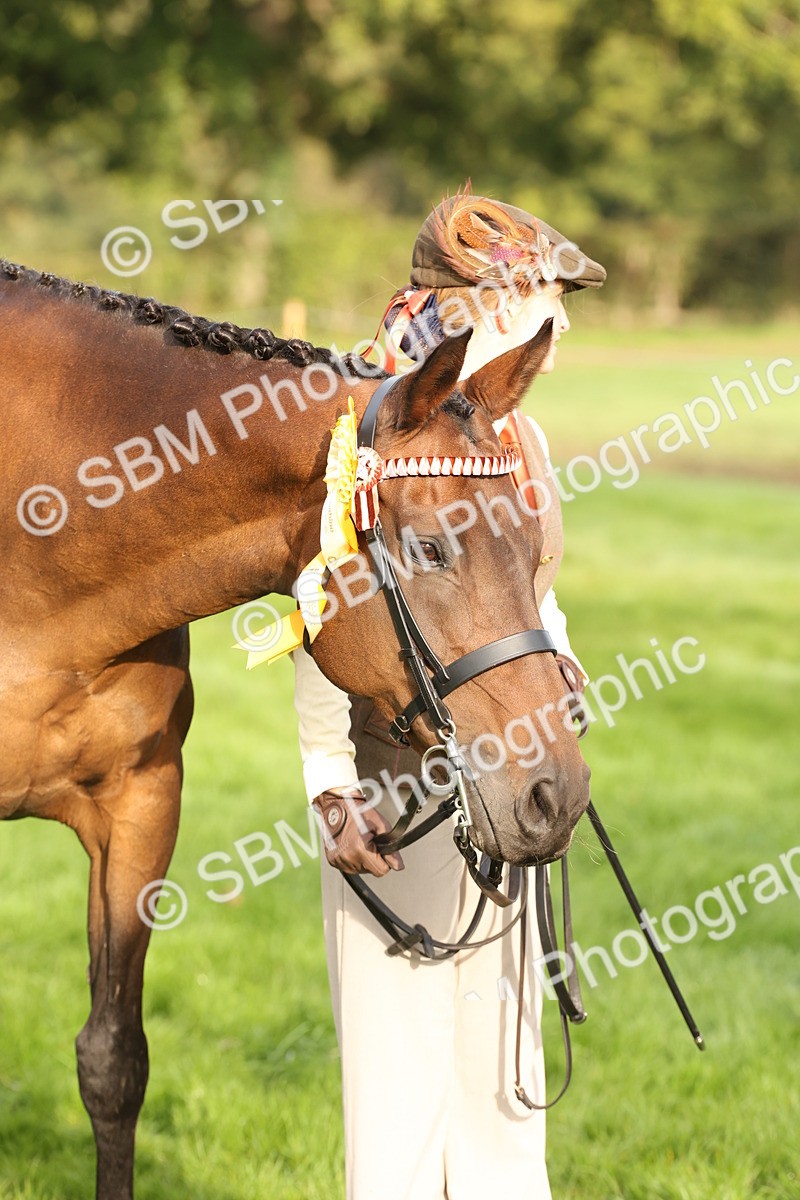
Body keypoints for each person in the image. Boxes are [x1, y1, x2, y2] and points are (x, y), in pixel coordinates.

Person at [292, 188, 606, 1199]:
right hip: (396, 780)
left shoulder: (518, 439)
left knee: (502, 1081)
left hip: (503, 763)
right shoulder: (368, 432)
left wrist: (556, 662)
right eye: (539, 305)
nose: (555, 331)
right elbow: (318, 615)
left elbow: (517, 593)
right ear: (475, 306)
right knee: (397, 1084)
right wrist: (327, 782)